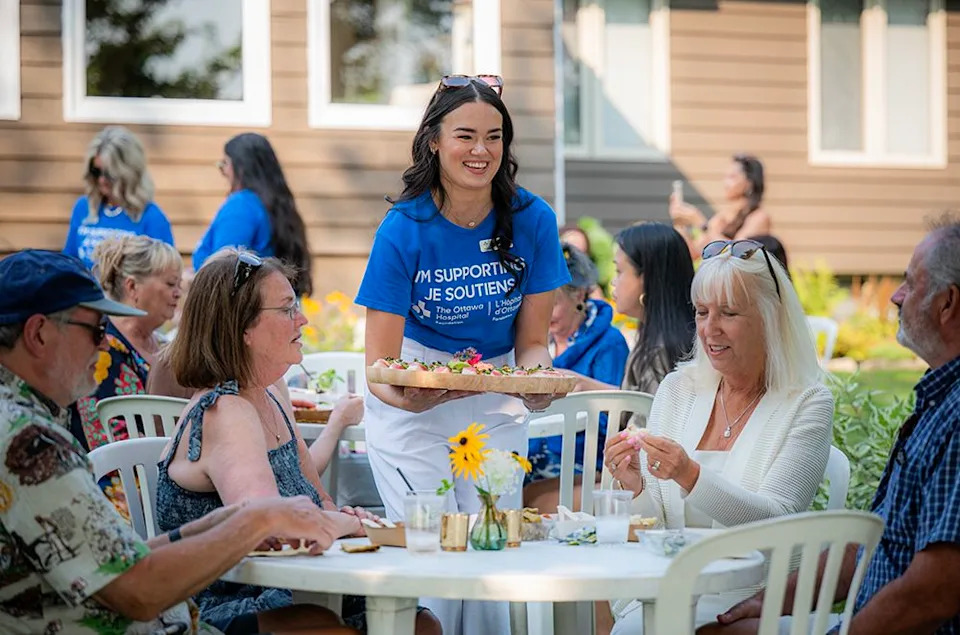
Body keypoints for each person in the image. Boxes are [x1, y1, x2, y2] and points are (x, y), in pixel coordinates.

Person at [0, 250, 353, 635]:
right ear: (38, 334)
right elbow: (138, 592)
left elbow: (118, 563)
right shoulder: (25, 440)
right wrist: (258, 520)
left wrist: (222, 522)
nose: (105, 346)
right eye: (97, 330)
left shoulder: (25, 422)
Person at [354, 74, 570, 635]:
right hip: (416, 388)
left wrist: (533, 379)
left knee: (494, 545)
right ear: (433, 140)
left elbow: (531, 340)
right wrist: (404, 397)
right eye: (465, 136)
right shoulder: (402, 228)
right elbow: (378, 364)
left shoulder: (534, 219)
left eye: (494, 137)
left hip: (496, 390)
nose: (481, 151)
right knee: (433, 552)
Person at [155, 251, 439, 635]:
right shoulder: (225, 410)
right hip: (219, 604)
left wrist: (342, 518)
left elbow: (319, 498)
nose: (303, 319)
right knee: (323, 627)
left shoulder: (271, 390)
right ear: (244, 329)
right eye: (287, 309)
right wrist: (350, 525)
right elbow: (275, 529)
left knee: (420, 624)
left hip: (293, 586)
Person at [704, 215, 960, 635]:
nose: (896, 296)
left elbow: (935, 590)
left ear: (947, 304)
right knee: (713, 627)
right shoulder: (938, 402)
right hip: (854, 619)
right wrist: (763, 603)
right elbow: (867, 545)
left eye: (911, 284)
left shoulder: (956, 417)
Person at [603, 238, 833, 632]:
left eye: (728, 313)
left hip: (754, 597)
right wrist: (635, 487)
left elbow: (776, 520)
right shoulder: (679, 389)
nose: (710, 329)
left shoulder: (808, 402)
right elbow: (655, 526)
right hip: (673, 583)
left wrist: (690, 475)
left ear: (769, 318)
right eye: (702, 312)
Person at [524, 222, 696, 516]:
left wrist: (585, 387)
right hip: (640, 478)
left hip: (650, 488)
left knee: (526, 494)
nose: (611, 282)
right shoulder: (657, 341)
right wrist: (586, 384)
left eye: (619, 271)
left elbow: (650, 424)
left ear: (648, 280)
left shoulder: (657, 351)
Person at [525, 242, 628, 483]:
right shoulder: (532, 343)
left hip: (586, 462)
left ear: (579, 295)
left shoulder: (608, 343)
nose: (544, 314)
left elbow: (613, 420)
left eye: (553, 304)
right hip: (532, 455)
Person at [70, 234, 183, 451]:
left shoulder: (161, 344)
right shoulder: (102, 349)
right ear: (132, 287)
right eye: (170, 284)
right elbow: (104, 441)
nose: (178, 293)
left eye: (179, 284)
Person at [192, 133, 313, 296]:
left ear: (241, 168)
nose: (223, 171)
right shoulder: (276, 204)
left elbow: (223, 269)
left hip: (246, 312)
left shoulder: (241, 205)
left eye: (225, 163)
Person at [63, 126, 175, 270]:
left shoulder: (152, 217)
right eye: (96, 171)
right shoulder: (83, 208)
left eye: (109, 173)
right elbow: (69, 262)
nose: (102, 179)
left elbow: (164, 274)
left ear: (128, 172)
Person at [669, 154, 771, 260]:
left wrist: (701, 223)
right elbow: (693, 253)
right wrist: (680, 224)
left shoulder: (759, 217)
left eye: (732, 177)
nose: (725, 183)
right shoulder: (721, 217)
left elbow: (738, 254)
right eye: (725, 177)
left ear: (749, 183)